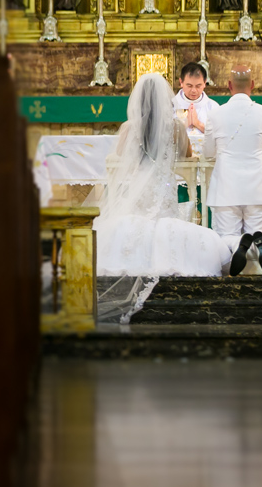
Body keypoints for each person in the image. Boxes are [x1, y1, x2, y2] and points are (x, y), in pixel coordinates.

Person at [96, 73, 232, 323]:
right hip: (164, 192)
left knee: (129, 226)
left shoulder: (128, 128)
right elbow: (187, 156)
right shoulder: (176, 128)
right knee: (167, 227)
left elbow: (120, 156)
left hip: (138, 194)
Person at [203, 65, 262, 276]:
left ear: (229, 86)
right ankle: (259, 241)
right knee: (258, 230)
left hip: (226, 188)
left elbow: (208, 152)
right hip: (258, 188)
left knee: (224, 237)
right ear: (252, 85)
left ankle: (239, 243)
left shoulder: (215, 114)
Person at [172, 62, 219, 141]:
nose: (193, 90)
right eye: (189, 86)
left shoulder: (213, 107)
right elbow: (163, 135)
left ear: (204, 83)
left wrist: (198, 124)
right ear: (181, 82)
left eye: (198, 86)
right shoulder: (171, 105)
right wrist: (185, 124)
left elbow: (220, 136)